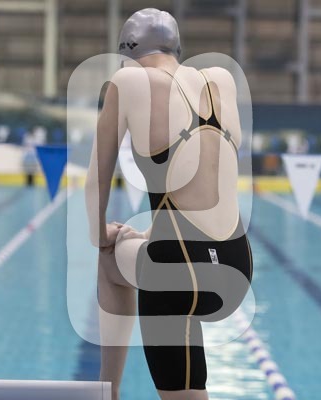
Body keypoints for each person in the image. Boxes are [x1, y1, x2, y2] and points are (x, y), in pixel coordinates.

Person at [85, 8, 252, 400]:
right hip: (235, 265)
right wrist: (152, 233)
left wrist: (100, 234)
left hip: (175, 273)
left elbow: (96, 179)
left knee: (108, 260)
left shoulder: (128, 81)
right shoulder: (221, 80)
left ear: (127, 53)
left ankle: (107, 392)